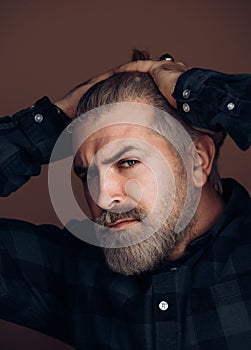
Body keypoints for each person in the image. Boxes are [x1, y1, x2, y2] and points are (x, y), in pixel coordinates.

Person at [0, 52, 251, 350]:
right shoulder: (74, 269)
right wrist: (50, 122)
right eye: (86, 174)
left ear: (197, 160)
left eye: (127, 162)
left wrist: (195, 90)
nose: (104, 198)